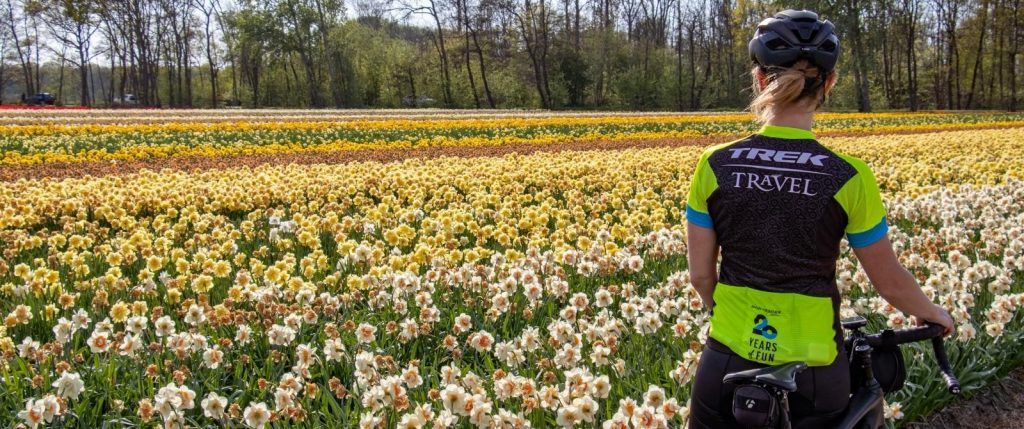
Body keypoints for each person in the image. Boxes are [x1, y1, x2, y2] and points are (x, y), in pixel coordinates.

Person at [685, 9, 954, 428]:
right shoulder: (849, 175)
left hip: (726, 360)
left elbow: (701, 277)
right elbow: (889, 281)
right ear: (829, 83)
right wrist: (932, 311)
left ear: (759, 79)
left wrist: (726, 314)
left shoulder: (714, 164)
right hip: (813, 372)